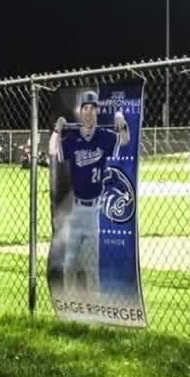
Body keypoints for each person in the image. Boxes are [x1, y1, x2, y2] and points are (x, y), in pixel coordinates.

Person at [48, 91, 129, 298]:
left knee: (91, 266)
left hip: (94, 210)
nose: (89, 112)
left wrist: (121, 122)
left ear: (97, 112)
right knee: (69, 264)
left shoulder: (104, 137)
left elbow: (125, 140)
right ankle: (69, 305)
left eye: (93, 108)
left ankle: (95, 305)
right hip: (76, 210)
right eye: (86, 108)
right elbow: (52, 150)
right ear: (81, 111)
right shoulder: (73, 138)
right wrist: (57, 129)